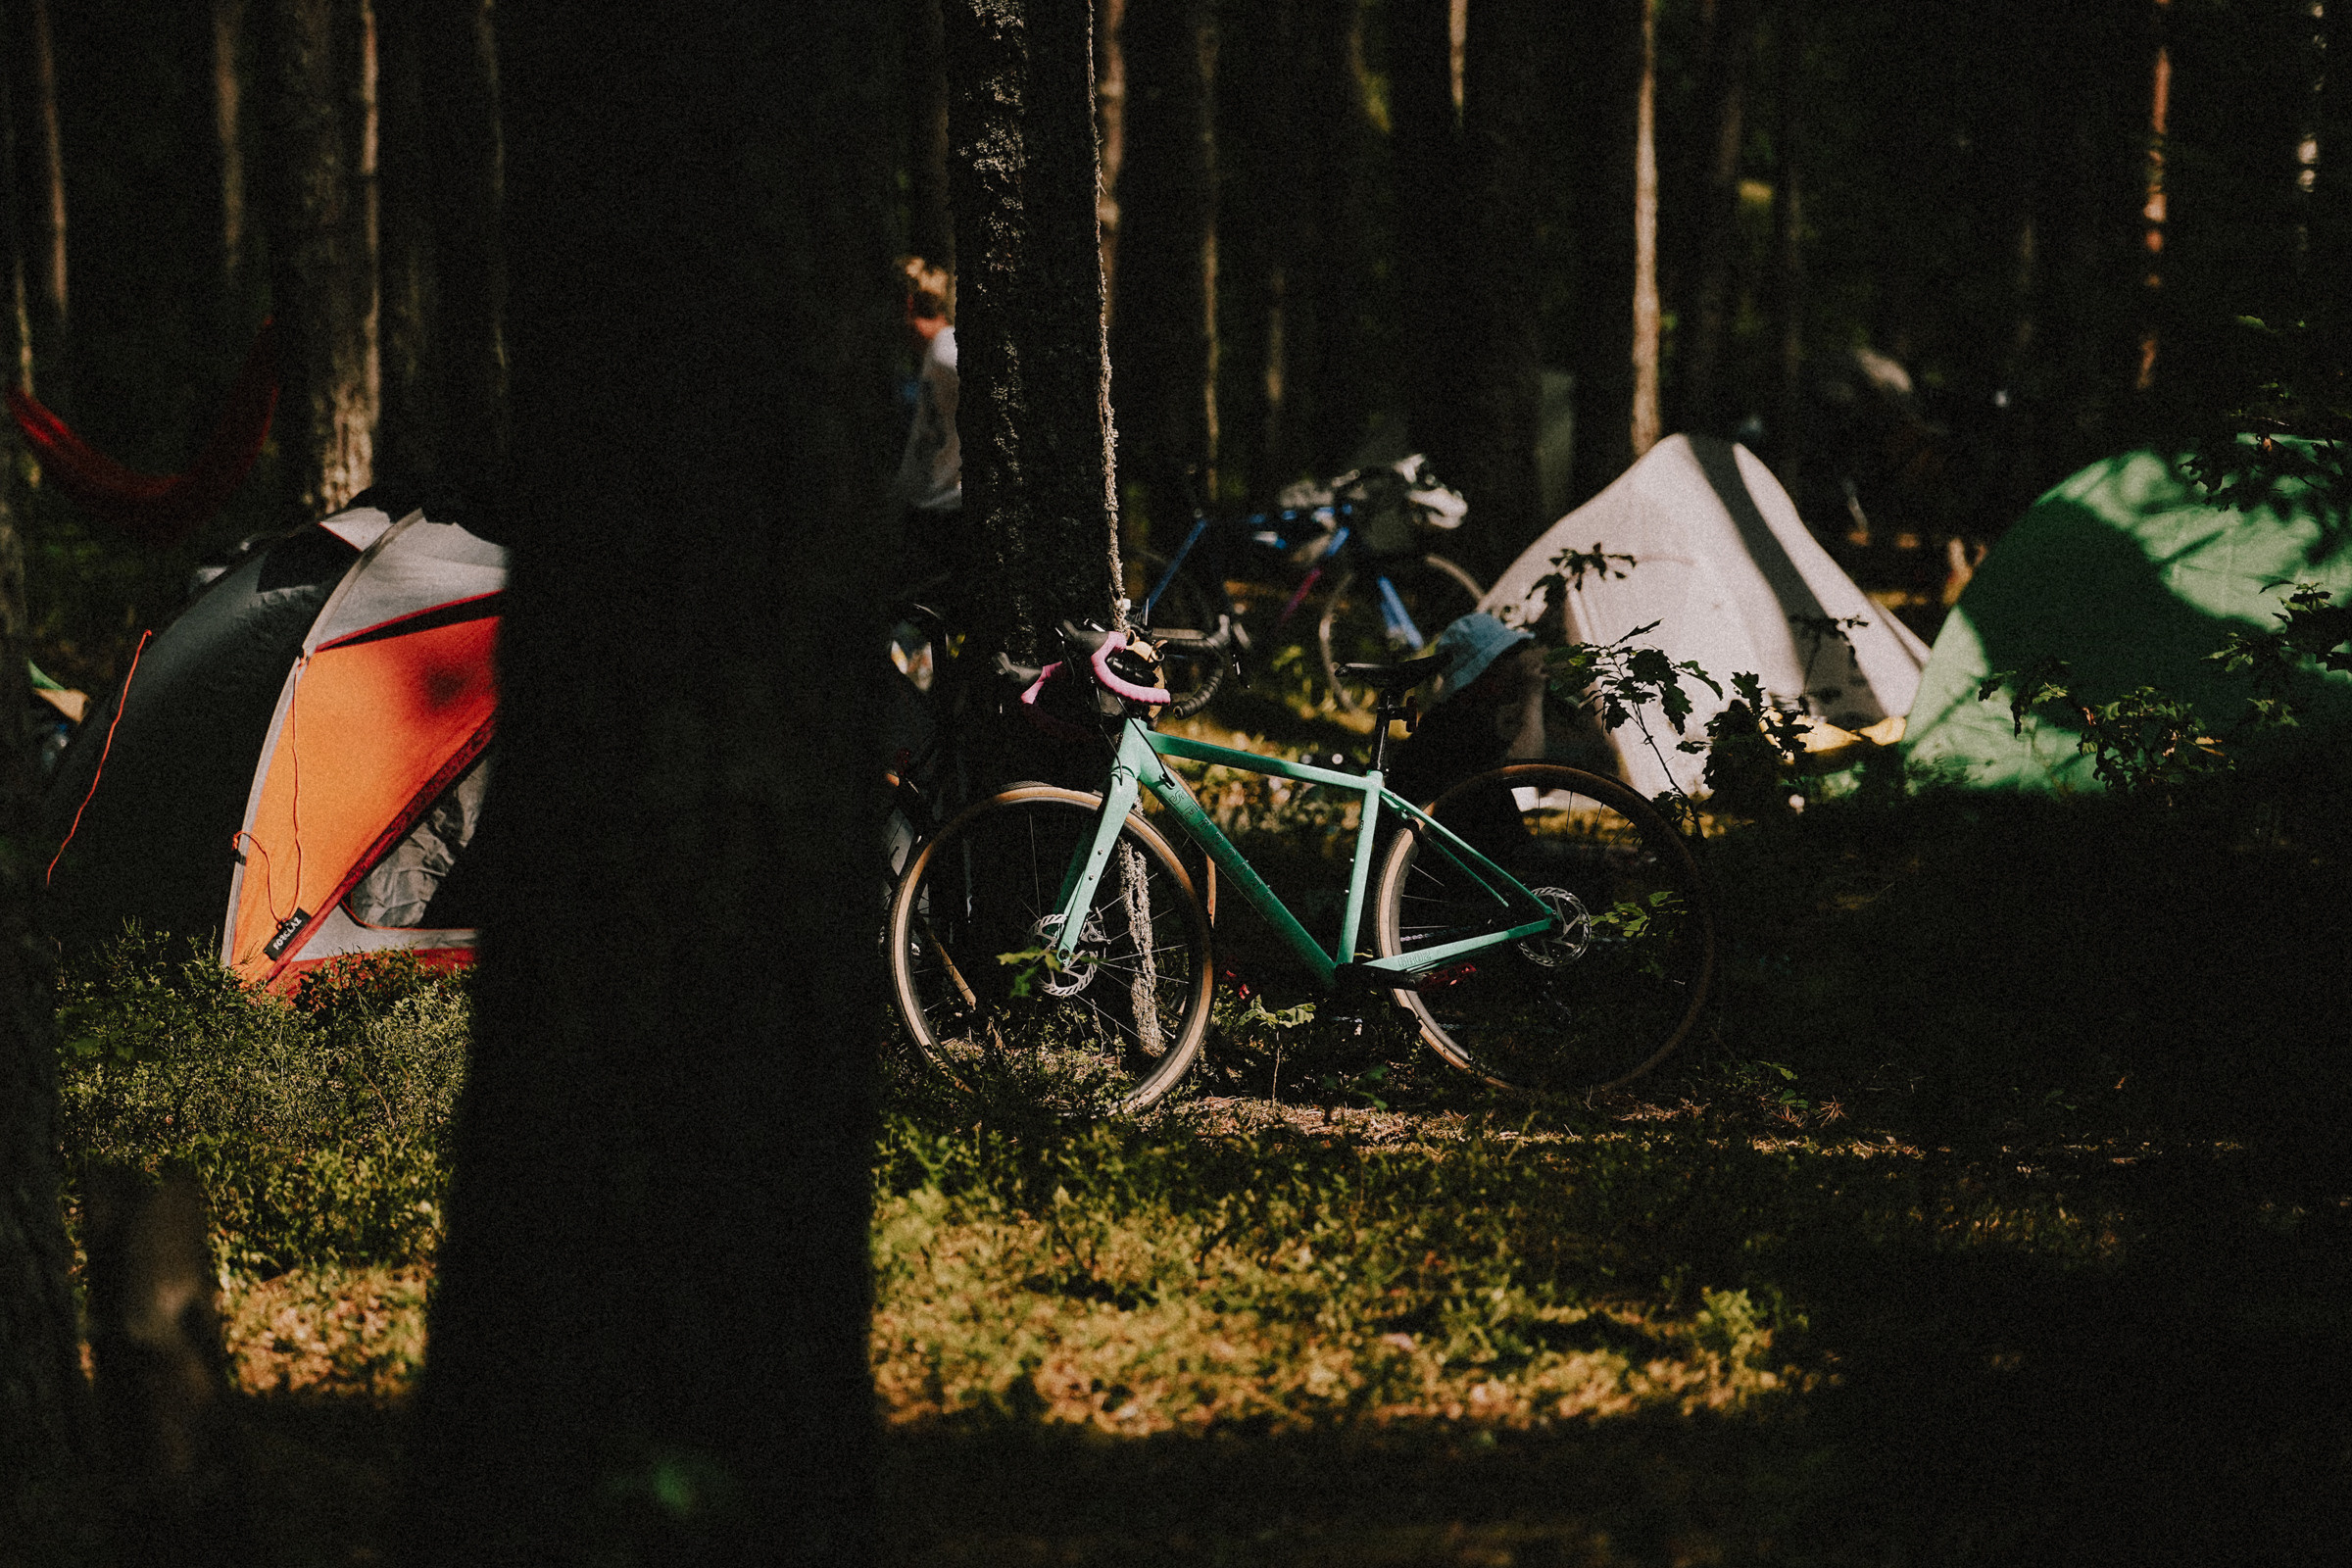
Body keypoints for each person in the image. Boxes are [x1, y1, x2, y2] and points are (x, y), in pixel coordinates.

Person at [893, 257, 960, 579]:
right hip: (929, 511)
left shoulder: (947, 350)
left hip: (943, 516)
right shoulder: (936, 351)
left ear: (908, 305)